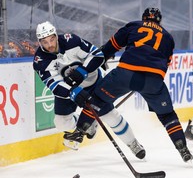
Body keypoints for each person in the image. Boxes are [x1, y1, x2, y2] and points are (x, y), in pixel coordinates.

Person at [88, 7, 193, 163]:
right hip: (153, 80)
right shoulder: (168, 37)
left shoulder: (134, 25)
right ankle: (182, 148)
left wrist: (102, 59)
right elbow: (166, 63)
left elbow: (111, 46)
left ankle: (82, 128)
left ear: (144, 18)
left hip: (126, 73)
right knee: (167, 115)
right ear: (159, 21)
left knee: (96, 98)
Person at [33, 21, 146, 159]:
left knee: (110, 116)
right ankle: (90, 121)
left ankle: (133, 143)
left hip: (93, 82)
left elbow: (97, 55)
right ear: (39, 42)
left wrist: (83, 70)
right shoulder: (40, 61)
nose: (50, 45)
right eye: (44, 42)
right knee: (61, 123)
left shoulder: (71, 41)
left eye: (52, 39)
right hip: (69, 90)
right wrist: (72, 92)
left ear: (56, 35)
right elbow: (53, 84)